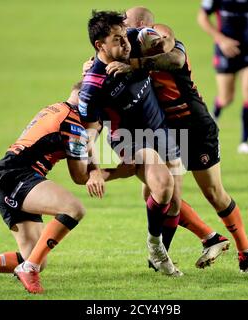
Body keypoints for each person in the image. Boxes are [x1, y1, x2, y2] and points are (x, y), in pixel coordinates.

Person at [0, 83, 134, 294]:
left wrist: (96, 168)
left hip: (5, 178)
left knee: (35, 256)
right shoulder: (73, 124)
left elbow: (85, 149)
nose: (100, 124)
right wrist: (119, 172)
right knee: (73, 208)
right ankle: (29, 269)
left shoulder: (57, 108)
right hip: (17, 177)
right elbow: (79, 177)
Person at [110, 7, 248, 273]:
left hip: (196, 126)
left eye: (127, 22)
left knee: (214, 194)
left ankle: (246, 249)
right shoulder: (128, 50)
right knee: (157, 190)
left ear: (143, 25)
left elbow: (175, 58)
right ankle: (205, 239)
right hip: (166, 131)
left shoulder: (160, 39)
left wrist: (136, 62)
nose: (123, 28)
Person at [80, 10, 185, 277]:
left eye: (124, 35)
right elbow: (90, 133)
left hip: (160, 128)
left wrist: (157, 43)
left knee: (172, 202)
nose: (125, 43)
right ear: (99, 46)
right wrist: (94, 169)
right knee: (162, 184)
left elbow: (171, 48)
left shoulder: (135, 39)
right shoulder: (93, 84)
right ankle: (156, 247)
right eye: (117, 40)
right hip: (129, 140)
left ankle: (158, 253)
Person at [198, 0, 248, 154]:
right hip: (226, 50)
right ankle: (215, 113)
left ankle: (245, 141)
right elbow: (202, 18)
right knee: (226, 98)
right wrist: (221, 40)